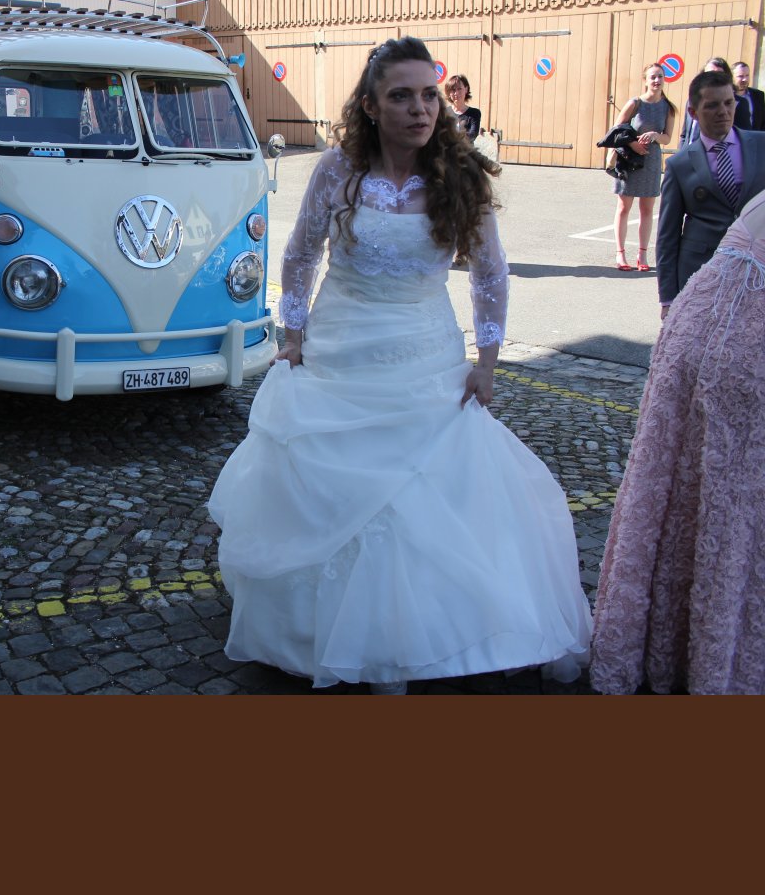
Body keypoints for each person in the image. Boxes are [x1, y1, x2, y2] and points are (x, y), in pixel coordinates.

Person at [206, 36, 592, 692]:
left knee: (424, 488)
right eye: (402, 96)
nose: (420, 109)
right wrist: (293, 334)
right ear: (371, 106)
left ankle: (423, 635)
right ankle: (324, 630)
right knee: (331, 481)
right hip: (340, 348)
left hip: (425, 353)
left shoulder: (459, 175)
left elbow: (491, 273)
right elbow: (300, 253)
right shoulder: (338, 170)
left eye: (429, 95)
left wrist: (487, 361)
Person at [590, 188, 765, 694]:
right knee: (731, 507)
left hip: (698, 329)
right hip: (737, 354)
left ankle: (662, 643)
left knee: (676, 491)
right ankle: (710, 656)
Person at [656, 69, 765, 315]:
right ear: (693, 112)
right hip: (700, 272)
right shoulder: (679, 165)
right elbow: (667, 237)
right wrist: (668, 298)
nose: (723, 111)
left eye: (728, 103)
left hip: (756, 270)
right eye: (712, 105)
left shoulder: (761, 145)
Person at [610, 62, 676, 270]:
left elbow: (667, 138)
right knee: (624, 207)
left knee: (647, 209)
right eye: (653, 77)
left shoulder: (668, 107)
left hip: (651, 161)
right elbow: (617, 130)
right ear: (645, 80)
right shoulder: (635, 103)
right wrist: (633, 144)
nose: (657, 80)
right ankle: (620, 254)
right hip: (629, 160)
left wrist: (656, 135)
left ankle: (642, 255)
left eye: (660, 76)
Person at [679, 57, 751, 143]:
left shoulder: (739, 103)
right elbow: (685, 134)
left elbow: (745, 138)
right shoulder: (692, 101)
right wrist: (683, 149)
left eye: (718, 74)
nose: (713, 78)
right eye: (709, 74)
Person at [445, 73, 480, 142]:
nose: (456, 93)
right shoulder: (444, 113)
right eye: (453, 90)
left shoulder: (474, 113)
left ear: (466, 89)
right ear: (449, 93)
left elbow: (472, 136)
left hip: (465, 149)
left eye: (459, 89)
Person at [732, 61, 765, 132]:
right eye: (740, 76)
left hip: (754, 137)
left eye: (747, 75)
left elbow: (762, 122)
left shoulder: (758, 95)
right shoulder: (727, 97)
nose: (745, 79)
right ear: (732, 77)